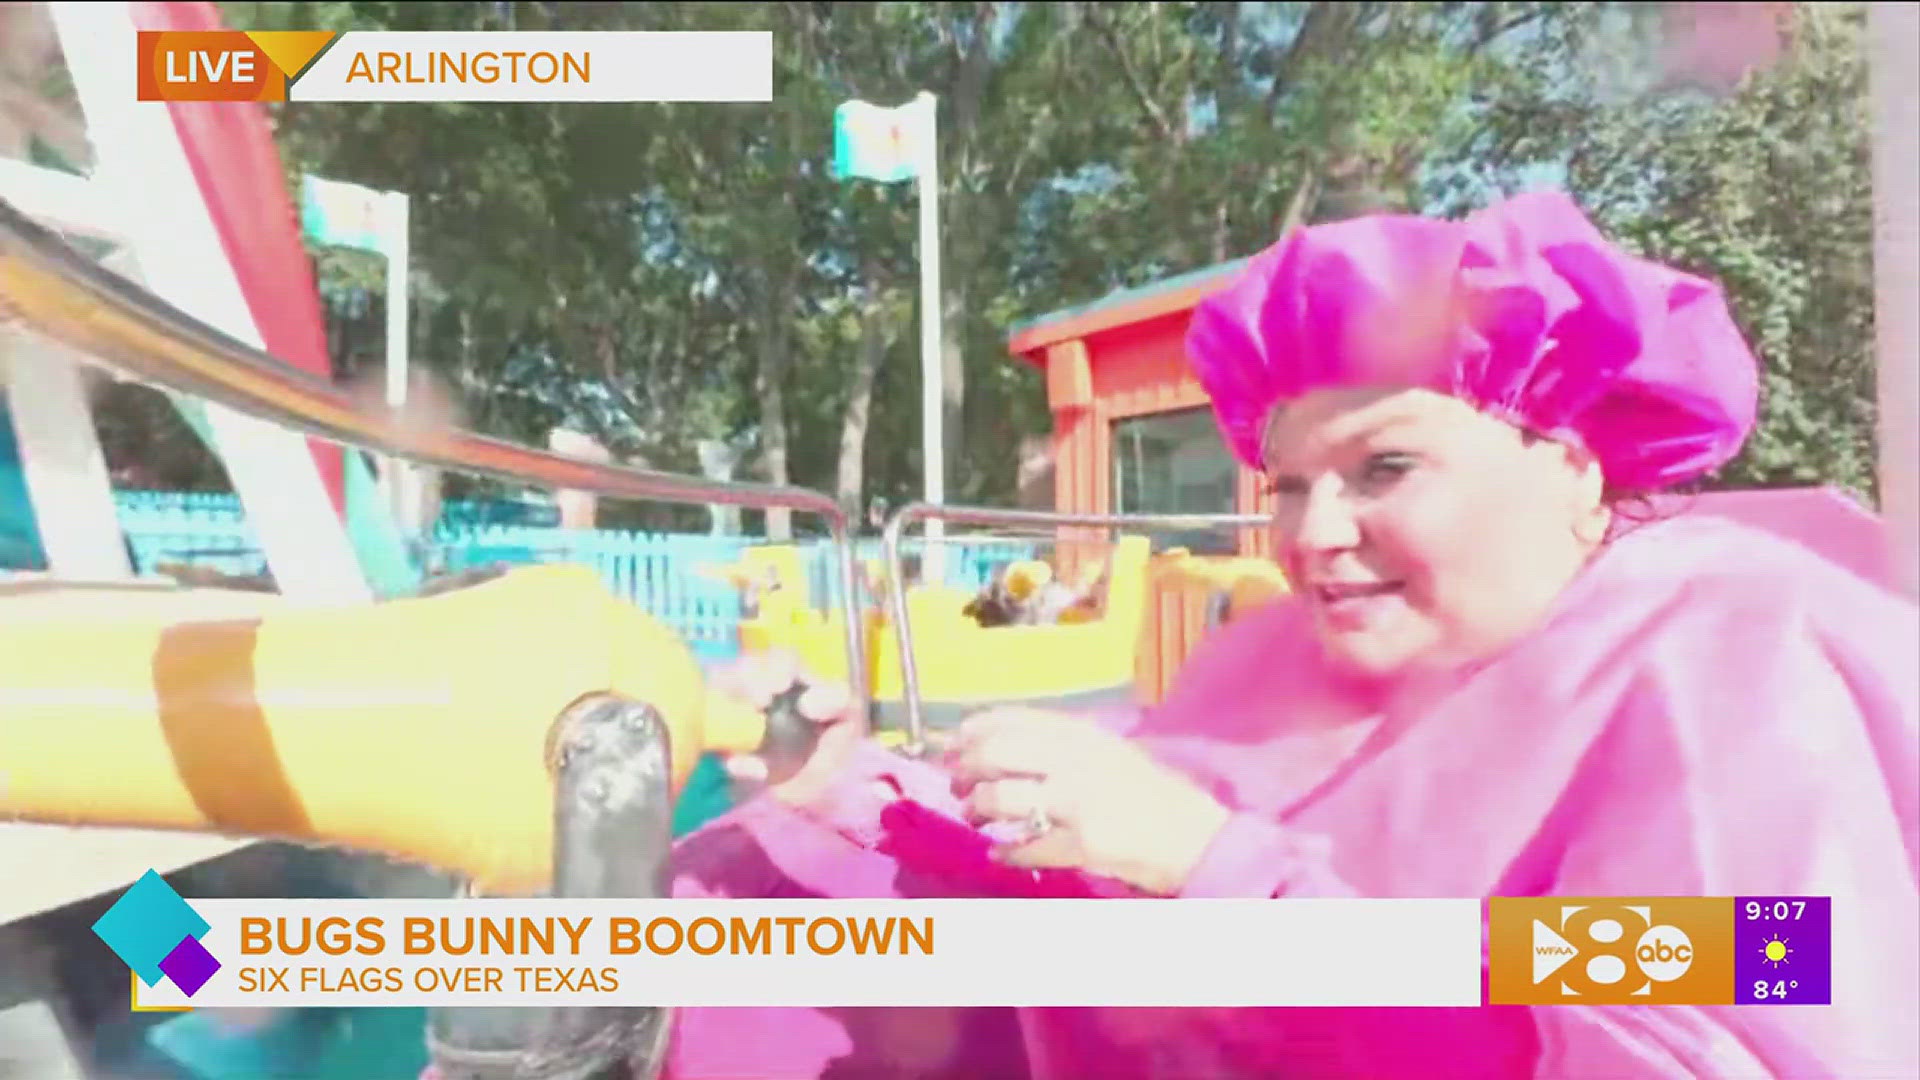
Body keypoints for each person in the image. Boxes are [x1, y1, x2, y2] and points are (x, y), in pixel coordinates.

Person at [663, 190, 1919, 1079]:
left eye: (1384, 468)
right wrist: (844, 786)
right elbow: (1085, 894)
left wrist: (1211, 863)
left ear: (1577, 467)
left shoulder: (1733, 654)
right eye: (1285, 486)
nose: (1313, 535)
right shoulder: (1284, 664)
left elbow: (1700, 1004)